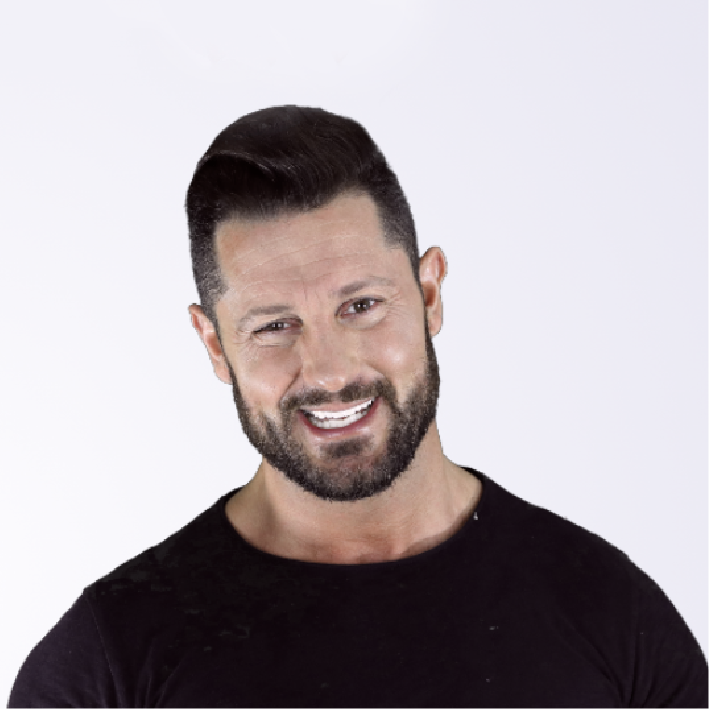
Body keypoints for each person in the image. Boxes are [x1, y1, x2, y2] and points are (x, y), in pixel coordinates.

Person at [9, 105, 707, 708]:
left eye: (362, 305)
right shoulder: (107, 665)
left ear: (429, 294)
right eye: (274, 325)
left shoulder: (611, 616)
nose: (331, 371)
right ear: (214, 344)